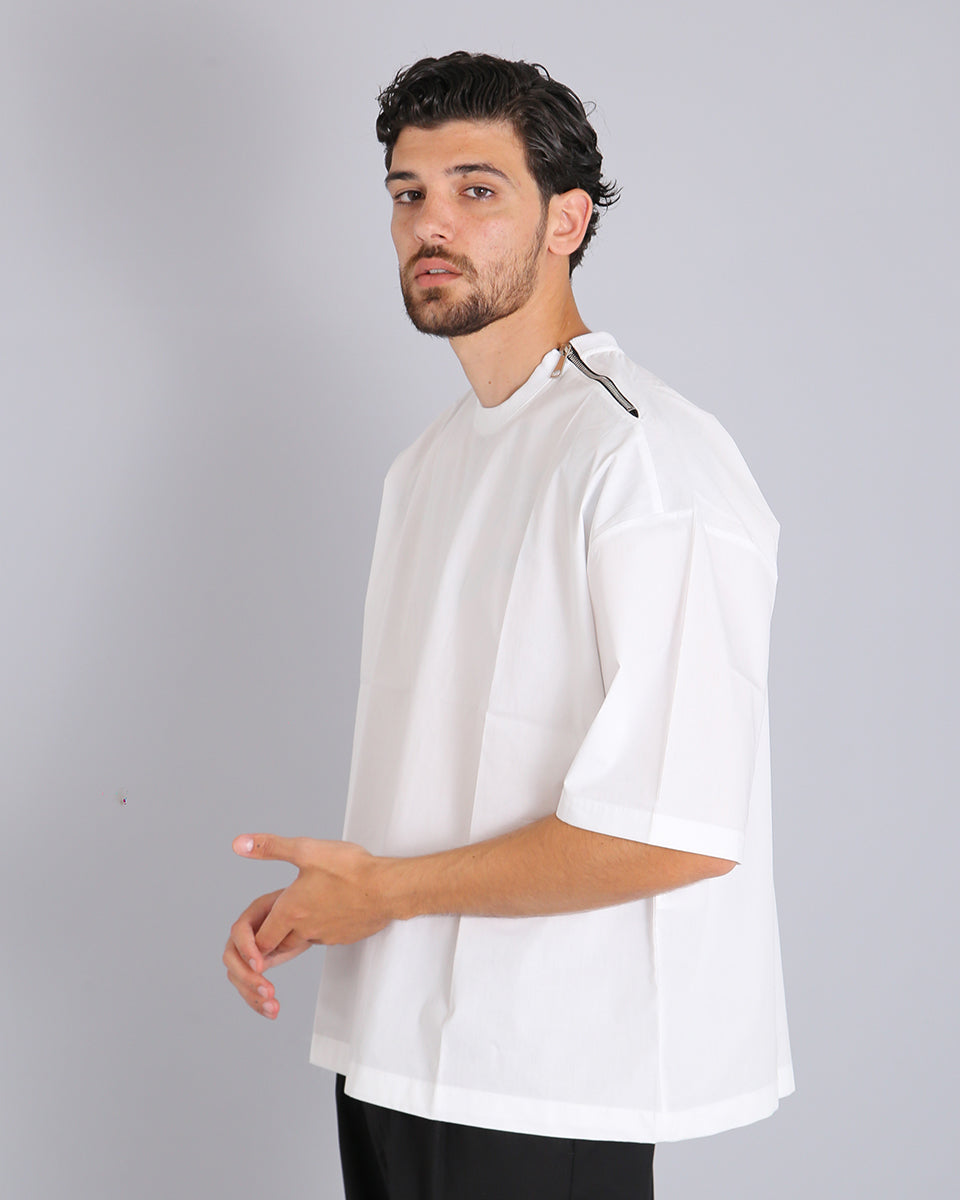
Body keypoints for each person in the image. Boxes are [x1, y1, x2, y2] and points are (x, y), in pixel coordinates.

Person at [223, 51, 794, 1200]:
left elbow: (679, 828)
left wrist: (380, 893)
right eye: (409, 192)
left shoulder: (645, 461)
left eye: (477, 189)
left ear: (566, 221)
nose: (431, 223)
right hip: (392, 1056)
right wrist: (337, 894)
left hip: (544, 1081)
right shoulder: (428, 463)